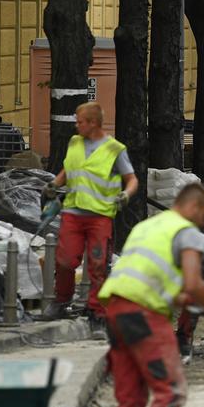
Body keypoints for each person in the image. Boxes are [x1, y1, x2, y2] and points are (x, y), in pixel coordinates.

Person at [97, 182, 204, 407]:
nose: (203, 222)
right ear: (193, 207)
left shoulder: (146, 228)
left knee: (130, 390)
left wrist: (178, 297)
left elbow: (150, 277)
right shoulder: (187, 232)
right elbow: (194, 283)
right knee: (170, 388)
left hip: (117, 312)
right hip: (145, 316)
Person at [39, 101, 138, 322]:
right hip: (73, 213)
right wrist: (55, 184)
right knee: (64, 261)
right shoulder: (75, 143)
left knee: (98, 264)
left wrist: (126, 195)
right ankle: (61, 302)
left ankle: (97, 312)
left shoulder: (114, 149)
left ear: (93, 123)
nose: (77, 126)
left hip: (100, 216)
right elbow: (70, 167)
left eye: (80, 122)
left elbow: (132, 180)